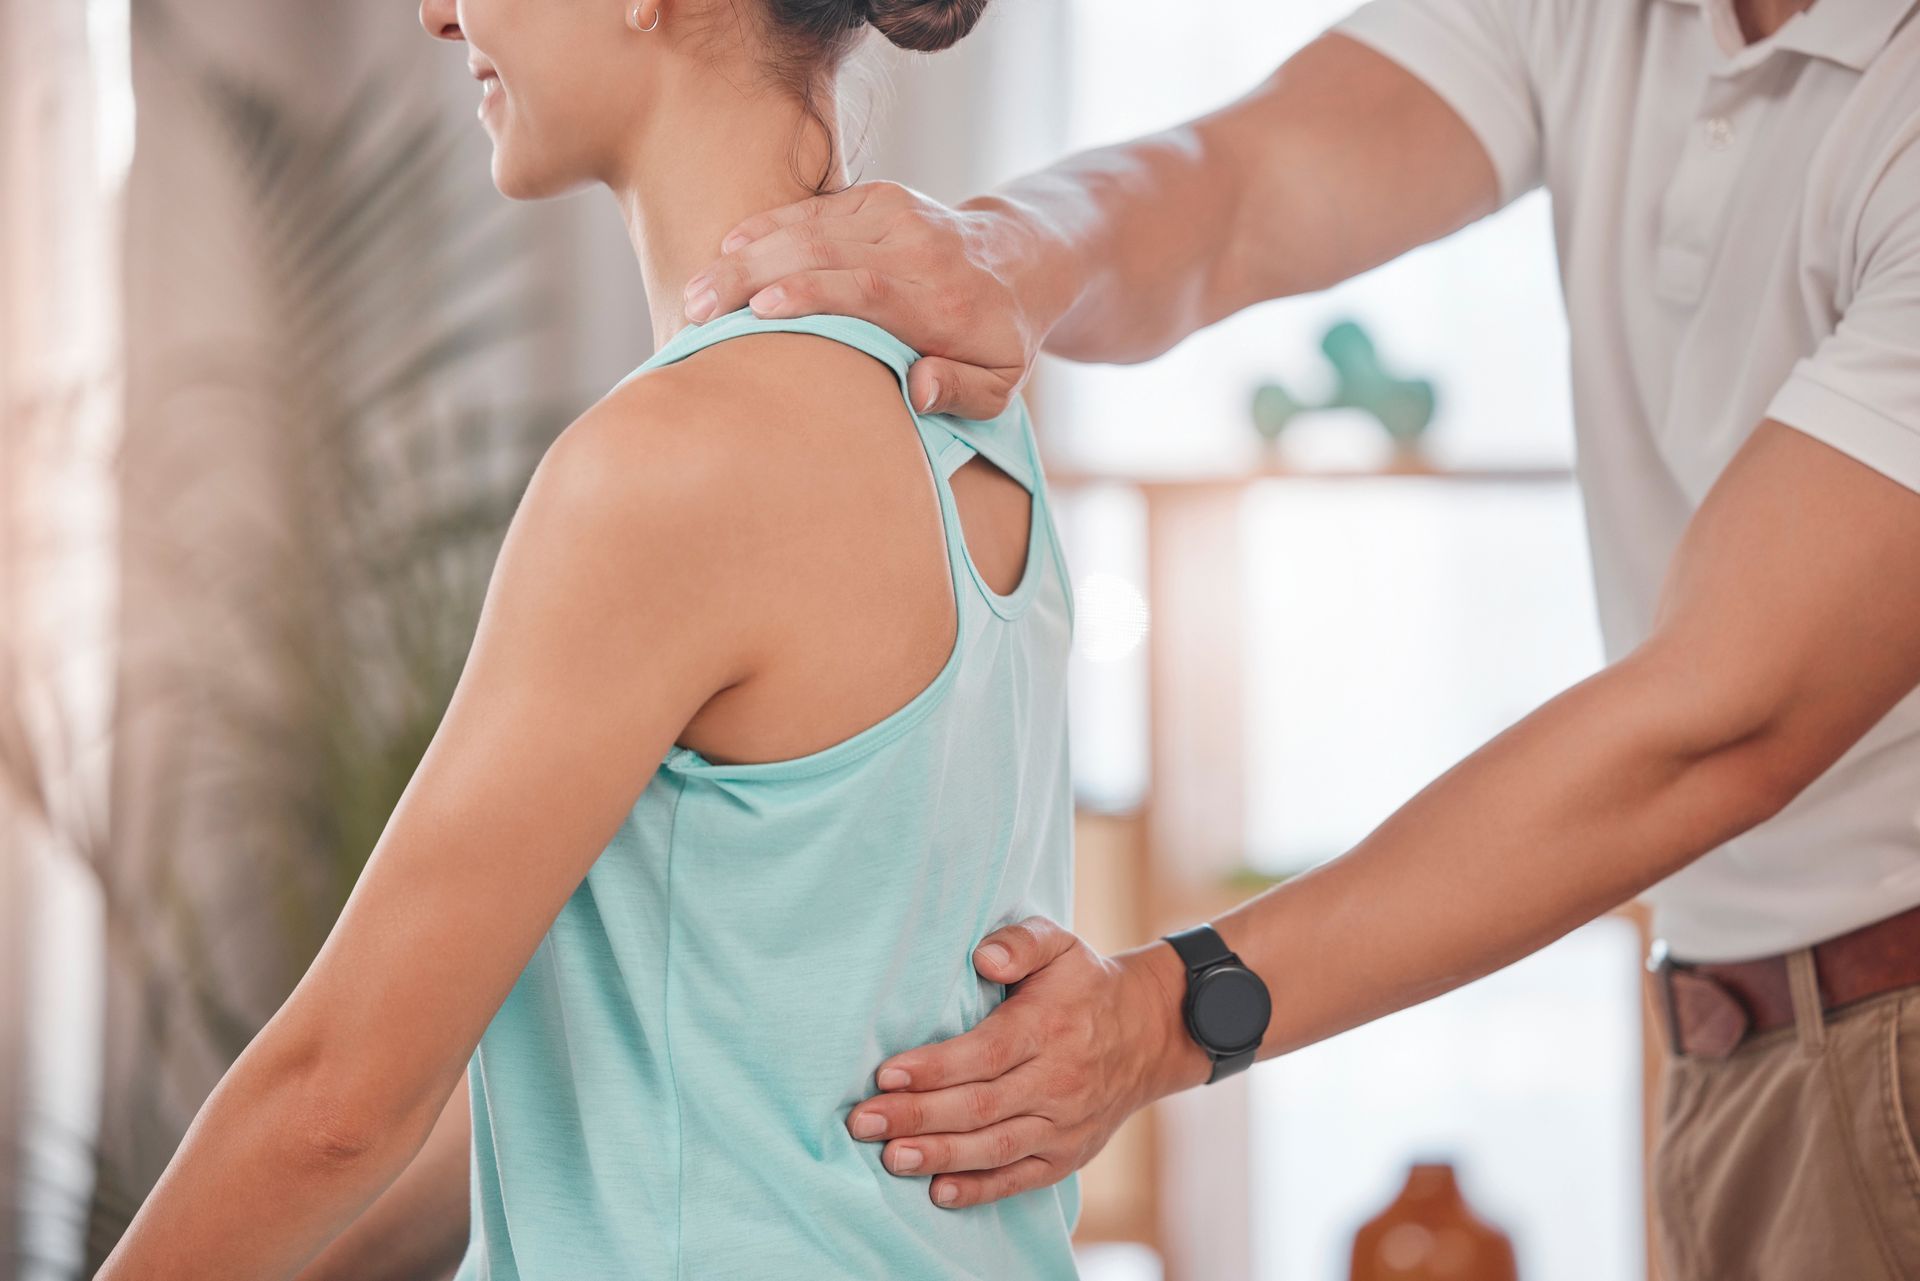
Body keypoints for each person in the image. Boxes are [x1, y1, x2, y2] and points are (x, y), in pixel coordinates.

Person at [687, 0, 1920, 1276]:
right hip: (1747, 1033)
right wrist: (997, 251)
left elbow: (1729, 716)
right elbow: (1244, 184)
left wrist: (1168, 1016)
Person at [95, 0, 1086, 1277]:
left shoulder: (679, 461)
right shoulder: (974, 420)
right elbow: (621, 1084)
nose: (440, 14)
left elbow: (336, 1106)